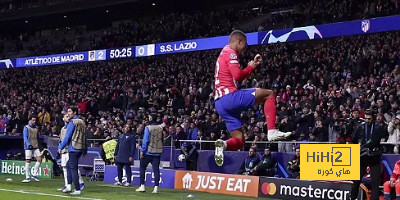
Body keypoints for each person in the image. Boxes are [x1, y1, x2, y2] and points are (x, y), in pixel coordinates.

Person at [213, 30, 291, 166]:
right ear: (239, 41)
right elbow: (237, 75)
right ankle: (271, 130)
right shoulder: (230, 53)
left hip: (220, 104)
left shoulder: (223, 53)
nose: (245, 48)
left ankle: (223, 145)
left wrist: (252, 67)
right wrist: (251, 67)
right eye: (245, 44)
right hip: (229, 97)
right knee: (270, 94)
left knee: (239, 141)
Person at [351, 110, 385, 200]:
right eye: (366, 118)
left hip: (374, 157)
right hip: (362, 157)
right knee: (356, 180)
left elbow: (382, 137)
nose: (367, 120)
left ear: (373, 118)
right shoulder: (361, 126)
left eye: (369, 119)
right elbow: (354, 140)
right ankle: (352, 198)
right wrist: (358, 147)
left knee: (375, 183)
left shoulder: (378, 127)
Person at [58, 107, 87, 195]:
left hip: (73, 147)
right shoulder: (82, 122)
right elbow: (85, 136)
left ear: (74, 112)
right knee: (68, 165)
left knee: (73, 168)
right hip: (80, 147)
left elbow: (67, 136)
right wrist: (85, 149)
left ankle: (77, 189)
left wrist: (61, 147)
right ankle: (69, 186)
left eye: (70, 111)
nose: (68, 113)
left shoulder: (72, 122)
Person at [135, 121, 166, 194]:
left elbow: (145, 140)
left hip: (148, 152)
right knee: (156, 170)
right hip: (157, 152)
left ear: (151, 118)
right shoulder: (160, 128)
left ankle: (142, 186)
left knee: (142, 168)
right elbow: (162, 139)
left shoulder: (148, 128)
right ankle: (156, 188)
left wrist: (142, 150)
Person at [22, 115, 42, 183]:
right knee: (28, 161)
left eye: (35, 120)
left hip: (35, 146)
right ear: (30, 120)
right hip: (28, 147)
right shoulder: (26, 127)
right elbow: (25, 137)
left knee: (39, 159)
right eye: (33, 120)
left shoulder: (36, 128)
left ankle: (34, 175)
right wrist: (28, 144)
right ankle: (27, 177)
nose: (34, 121)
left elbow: (37, 137)